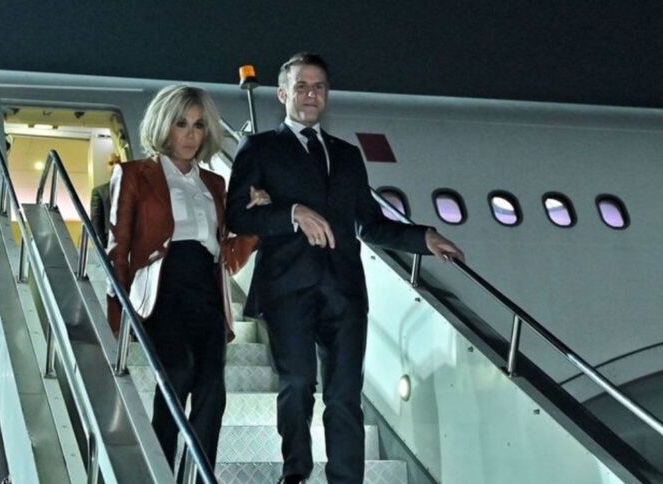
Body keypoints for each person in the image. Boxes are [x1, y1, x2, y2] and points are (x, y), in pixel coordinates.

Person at [226, 53, 464, 484]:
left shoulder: (348, 155)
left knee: (344, 395)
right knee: (298, 384)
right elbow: (238, 216)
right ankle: (296, 473)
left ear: (327, 95)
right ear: (282, 94)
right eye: (301, 86)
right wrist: (293, 213)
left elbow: (368, 222)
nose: (310, 95)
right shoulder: (259, 148)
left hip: (345, 291)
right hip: (287, 288)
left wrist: (422, 238)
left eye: (318, 87)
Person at [106, 84, 265, 481]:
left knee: (212, 393)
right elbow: (118, 249)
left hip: (207, 292)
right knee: (178, 370)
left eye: (198, 125)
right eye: (181, 124)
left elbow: (228, 257)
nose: (191, 135)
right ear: (163, 126)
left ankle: (197, 478)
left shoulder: (215, 184)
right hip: (162, 289)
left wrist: (256, 224)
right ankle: (159, 470)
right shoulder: (134, 175)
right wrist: (116, 319)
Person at [90, 152, 122, 248]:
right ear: (107, 167)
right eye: (111, 163)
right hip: (112, 242)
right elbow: (96, 220)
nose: (115, 166)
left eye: (118, 162)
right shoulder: (99, 192)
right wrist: (103, 247)